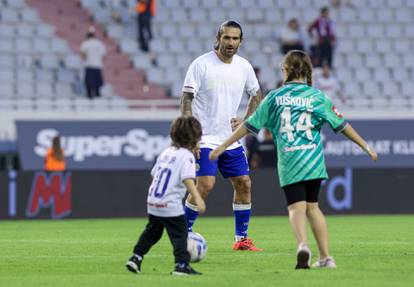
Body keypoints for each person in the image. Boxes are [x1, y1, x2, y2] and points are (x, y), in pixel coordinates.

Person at [209, 50, 378, 269]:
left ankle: (303, 246)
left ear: (286, 70)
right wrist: (366, 146)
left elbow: (249, 126)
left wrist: (222, 145)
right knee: (314, 207)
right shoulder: (317, 97)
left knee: (296, 209)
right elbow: (342, 125)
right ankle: (326, 257)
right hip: (314, 161)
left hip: (290, 161)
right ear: (307, 70)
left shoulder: (275, 97)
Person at [181, 20, 263, 251]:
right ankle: (182, 233)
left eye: (235, 38)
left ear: (241, 41)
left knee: (244, 184)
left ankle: (241, 240)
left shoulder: (244, 66)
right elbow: (186, 99)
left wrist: (247, 120)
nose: (230, 42)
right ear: (218, 38)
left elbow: (256, 94)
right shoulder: (201, 64)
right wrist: (190, 135)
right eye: (226, 38)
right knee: (206, 185)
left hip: (230, 138)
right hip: (204, 137)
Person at [126, 116, 206, 276]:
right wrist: (197, 197)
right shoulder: (187, 156)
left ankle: (136, 257)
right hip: (170, 203)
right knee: (180, 234)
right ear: (194, 138)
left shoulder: (166, 152)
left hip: (153, 201)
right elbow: (187, 179)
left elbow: (154, 173)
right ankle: (181, 265)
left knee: (152, 231)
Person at [80, 26, 106, 99]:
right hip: (97, 65)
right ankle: (97, 94)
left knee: (89, 83)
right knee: (97, 83)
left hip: (89, 64)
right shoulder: (99, 43)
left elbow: (83, 54)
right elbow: (103, 55)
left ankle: (89, 95)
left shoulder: (86, 43)